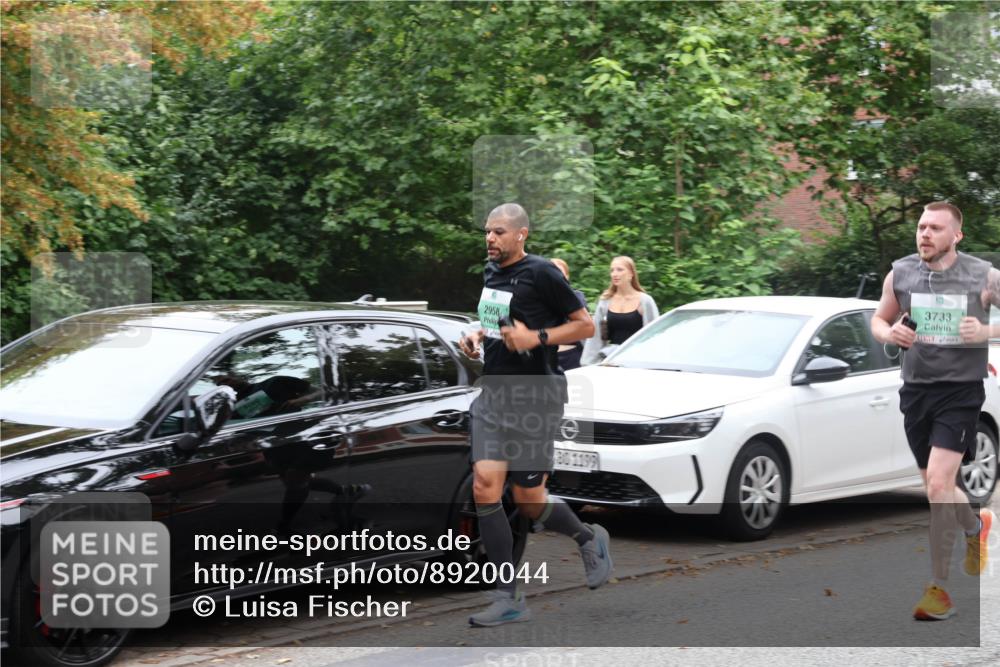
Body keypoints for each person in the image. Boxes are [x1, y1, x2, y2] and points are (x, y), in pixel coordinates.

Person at [458, 203, 613, 627]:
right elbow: (493, 321)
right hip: (494, 394)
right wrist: (477, 333)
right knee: (485, 487)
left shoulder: (543, 273)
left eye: (499, 232)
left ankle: (587, 537)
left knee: (529, 502)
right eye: (488, 232)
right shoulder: (492, 273)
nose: (490, 239)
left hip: (536, 396)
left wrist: (535, 337)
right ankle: (508, 596)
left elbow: (585, 327)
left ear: (521, 234)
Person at [871, 201, 999, 620]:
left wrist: (985, 330)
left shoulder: (983, 275)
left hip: (960, 392)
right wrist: (889, 332)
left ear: (956, 235)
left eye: (935, 228)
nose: (925, 234)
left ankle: (938, 591)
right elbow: (878, 319)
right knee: (936, 486)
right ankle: (975, 528)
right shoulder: (901, 272)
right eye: (921, 227)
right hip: (916, 393)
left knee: (939, 485)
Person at [581, 255, 659, 365]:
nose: (615, 274)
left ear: (631, 274)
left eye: (620, 269)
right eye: (612, 270)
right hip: (611, 360)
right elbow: (596, 336)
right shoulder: (605, 301)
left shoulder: (645, 301)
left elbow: (654, 335)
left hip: (638, 361)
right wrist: (589, 363)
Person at [550, 258, 587, 371]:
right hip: (547, 356)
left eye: (560, 272)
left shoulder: (577, 297)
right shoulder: (535, 300)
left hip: (572, 356)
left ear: (567, 276)